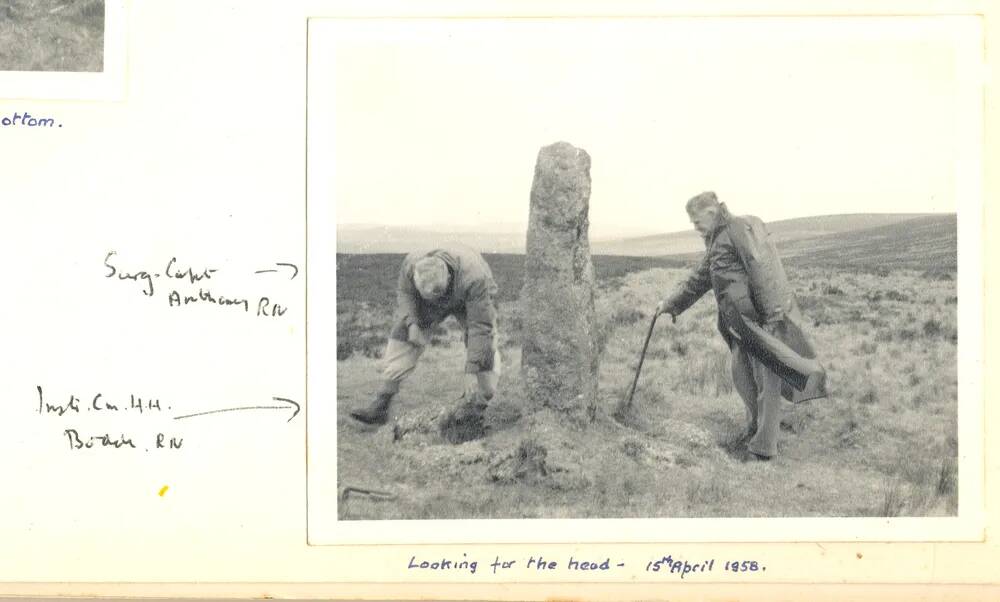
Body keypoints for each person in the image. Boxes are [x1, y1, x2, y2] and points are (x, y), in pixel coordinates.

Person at [656, 191, 827, 460]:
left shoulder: (737, 230)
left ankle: (763, 449)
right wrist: (672, 303)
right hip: (739, 324)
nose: (694, 226)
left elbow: (762, 269)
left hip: (760, 321)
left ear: (711, 213)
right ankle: (755, 429)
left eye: (696, 221)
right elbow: (702, 278)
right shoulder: (717, 239)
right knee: (742, 375)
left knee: (767, 382)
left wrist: (772, 317)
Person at [350, 244, 502, 426]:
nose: (438, 304)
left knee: (486, 345)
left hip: (471, 295)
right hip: (436, 293)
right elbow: (406, 295)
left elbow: (480, 327)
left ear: (447, 276)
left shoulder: (474, 277)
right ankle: (381, 405)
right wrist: (413, 324)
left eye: (439, 296)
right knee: (404, 333)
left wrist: (472, 371)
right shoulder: (411, 265)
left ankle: (476, 408)